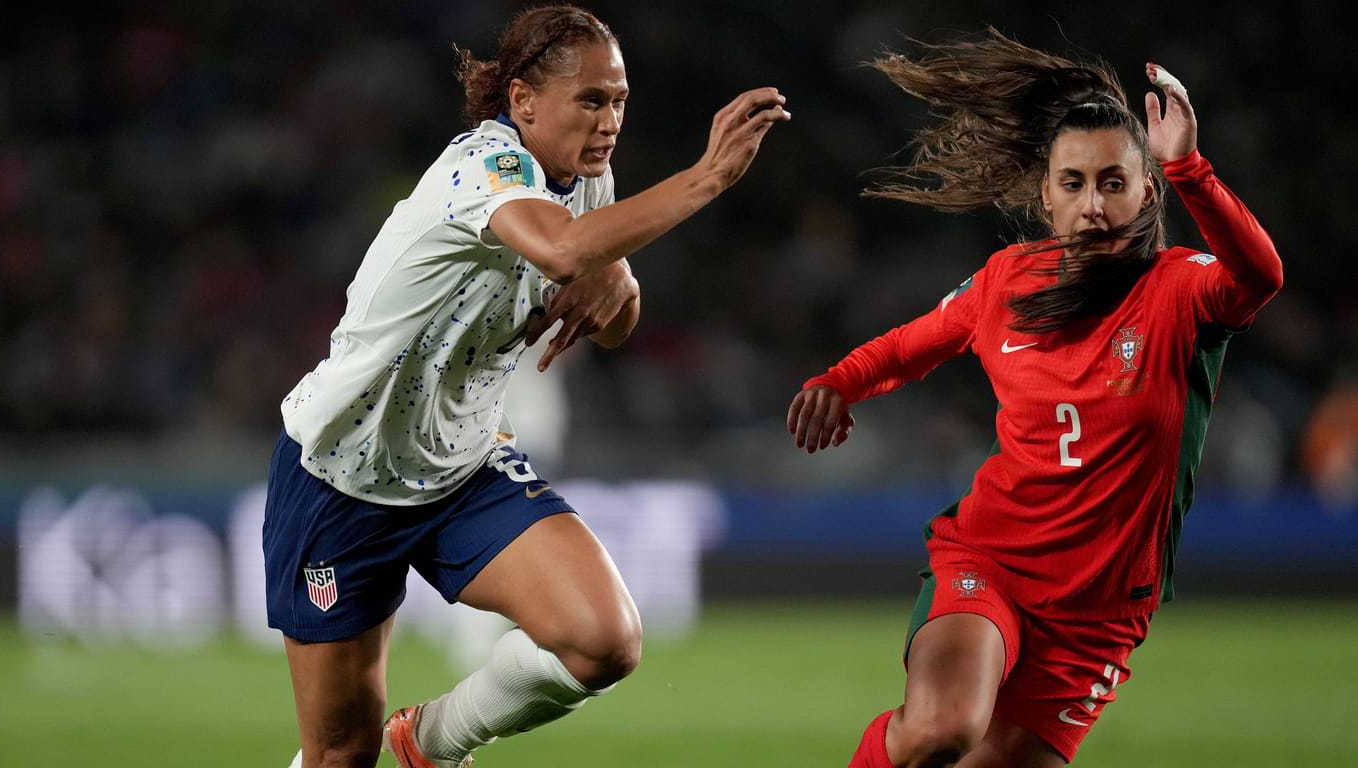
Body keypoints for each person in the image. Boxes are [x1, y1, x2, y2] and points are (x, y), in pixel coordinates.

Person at [264, 6, 789, 767]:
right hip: (343, 477)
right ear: (523, 103)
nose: (610, 120)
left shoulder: (589, 181)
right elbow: (559, 246)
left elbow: (611, 321)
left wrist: (622, 284)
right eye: (591, 99)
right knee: (340, 754)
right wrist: (706, 178)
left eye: (619, 100)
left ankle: (431, 742)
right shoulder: (486, 164)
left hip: (462, 466)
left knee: (605, 641)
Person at [786, 29, 1281, 767]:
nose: (1093, 206)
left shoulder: (1180, 291)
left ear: (1147, 191)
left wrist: (1191, 166)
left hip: (1098, 617)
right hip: (992, 564)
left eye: (1113, 182)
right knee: (937, 731)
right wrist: (840, 381)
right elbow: (906, 346)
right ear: (1046, 197)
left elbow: (1260, 276)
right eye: (1074, 184)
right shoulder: (1007, 282)